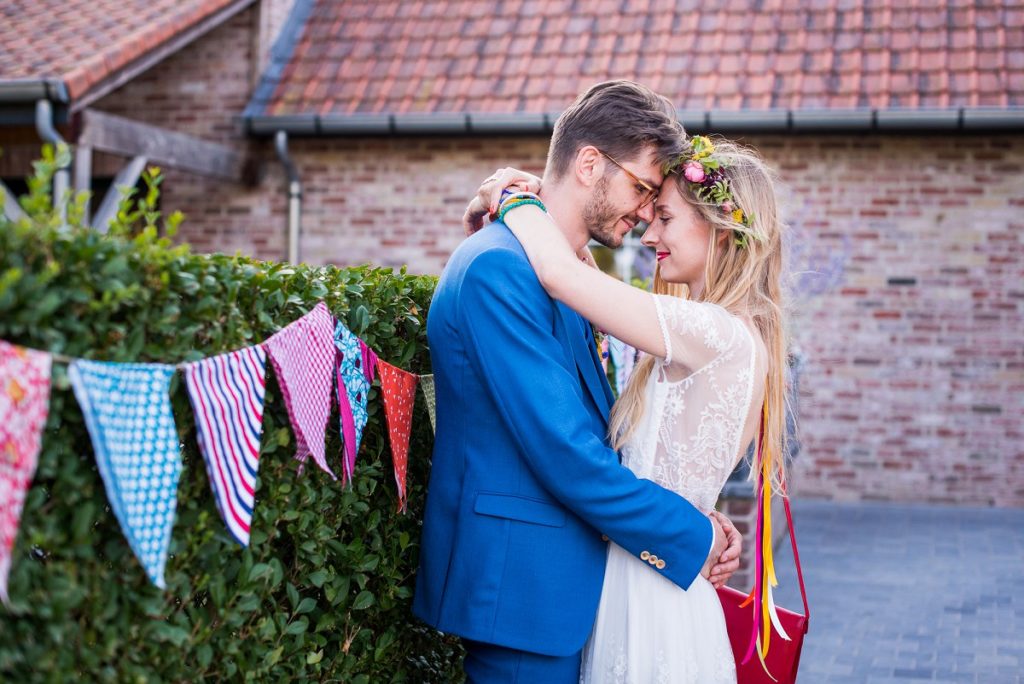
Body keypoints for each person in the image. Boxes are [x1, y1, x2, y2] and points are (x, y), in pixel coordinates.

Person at [411, 81, 743, 683]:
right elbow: (566, 452)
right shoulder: (499, 270)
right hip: (520, 592)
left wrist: (694, 508)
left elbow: (602, 430)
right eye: (642, 188)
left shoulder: (562, 275)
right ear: (589, 163)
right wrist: (691, 535)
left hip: (563, 585)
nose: (645, 213)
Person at [469, 133, 789, 682]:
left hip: (652, 595)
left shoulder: (711, 331)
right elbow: (584, 275)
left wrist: (515, 199)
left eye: (664, 216)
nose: (649, 231)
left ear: (720, 226)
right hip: (652, 571)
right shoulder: (719, 330)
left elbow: (561, 275)